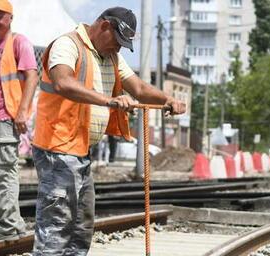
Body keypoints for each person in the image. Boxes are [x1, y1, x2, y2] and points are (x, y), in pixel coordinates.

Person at [30, 7, 186, 255]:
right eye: (117, 41)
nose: (119, 48)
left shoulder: (110, 56)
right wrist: (107, 100)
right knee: (57, 226)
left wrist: (167, 99)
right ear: (104, 26)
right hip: (57, 149)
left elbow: (139, 88)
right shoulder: (67, 45)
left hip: (79, 151)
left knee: (81, 227)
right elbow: (63, 81)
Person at [0, 0, 39, 240]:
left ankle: (9, 223)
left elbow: (32, 76)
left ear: (10, 18)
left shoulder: (18, 42)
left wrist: (23, 111)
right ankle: (11, 221)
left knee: (5, 170)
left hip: (6, 115)